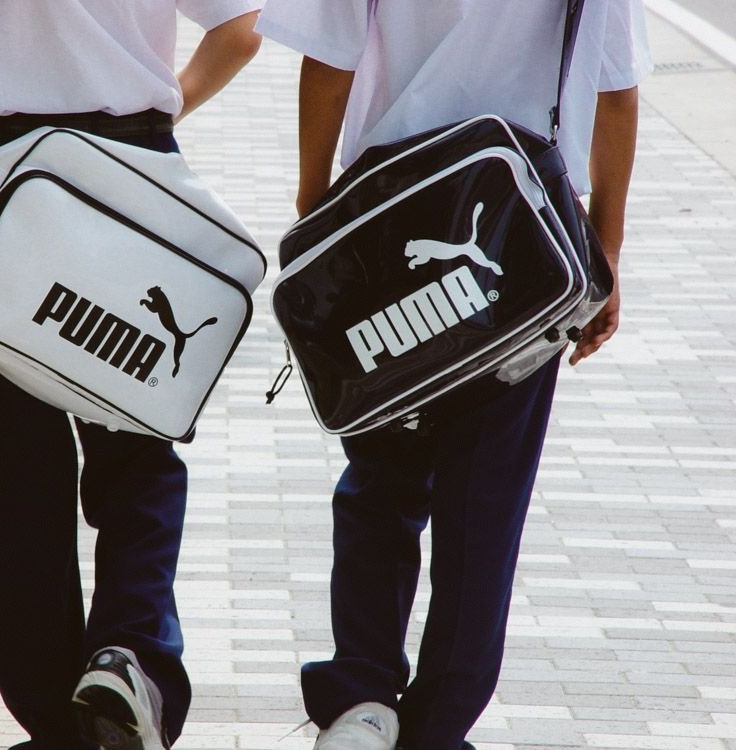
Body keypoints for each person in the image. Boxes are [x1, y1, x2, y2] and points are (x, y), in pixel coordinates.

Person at [0, 2, 262, 748]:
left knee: (13, 466)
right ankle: (130, 655)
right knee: (138, 438)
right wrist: (168, 104)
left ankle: (53, 720)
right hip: (134, 166)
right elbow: (241, 28)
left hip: (4, 164)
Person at [255, 1, 652, 748]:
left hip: (386, 210)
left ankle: (362, 699)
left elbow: (329, 64)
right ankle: (440, 722)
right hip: (521, 233)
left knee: (380, 481)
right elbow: (616, 90)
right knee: (485, 502)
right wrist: (606, 251)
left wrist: (313, 208)